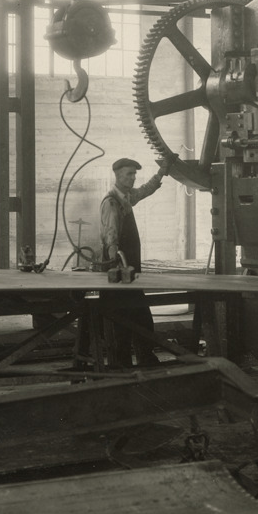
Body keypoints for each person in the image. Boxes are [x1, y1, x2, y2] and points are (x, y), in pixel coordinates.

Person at [99, 156, 168, 366]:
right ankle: (123, 364)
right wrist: (117, 265)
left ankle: (144, 357)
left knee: (140, 316)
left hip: (130, 271)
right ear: (118, 175)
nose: (133, 178)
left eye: (134, 174)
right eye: (129, 174)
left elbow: (145, 190)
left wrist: (161, 173)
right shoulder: (112, 202)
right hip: (120, 272)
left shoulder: (126, 197)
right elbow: (111, 238)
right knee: (123, 318)